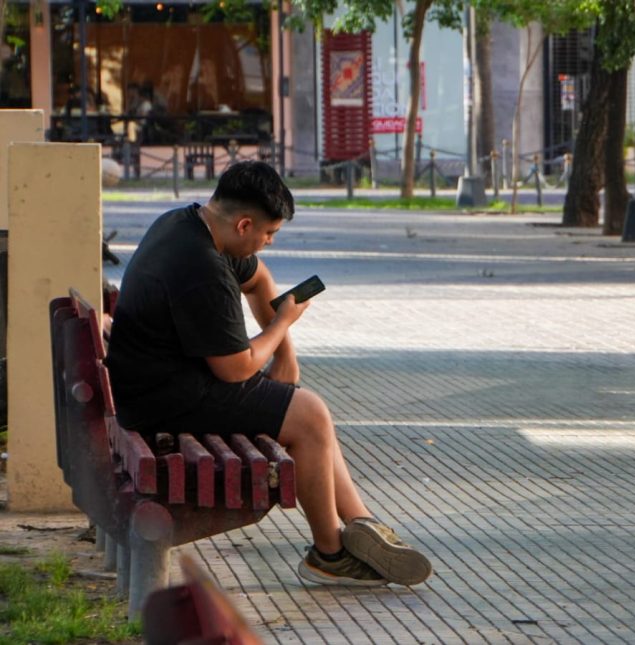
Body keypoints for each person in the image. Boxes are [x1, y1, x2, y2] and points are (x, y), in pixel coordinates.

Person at [106, 161, 433, 587]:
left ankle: (361, 523)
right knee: (309, 413)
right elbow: (237, 367)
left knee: (306, 409)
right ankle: (330, 555)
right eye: (268, 233)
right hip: (165, 402)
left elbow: (260, 281)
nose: (268, 243)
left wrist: (285, 358)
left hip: (160, 383)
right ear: (244, 224)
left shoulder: (186, 224)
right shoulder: (201, 269)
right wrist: (282, 326)